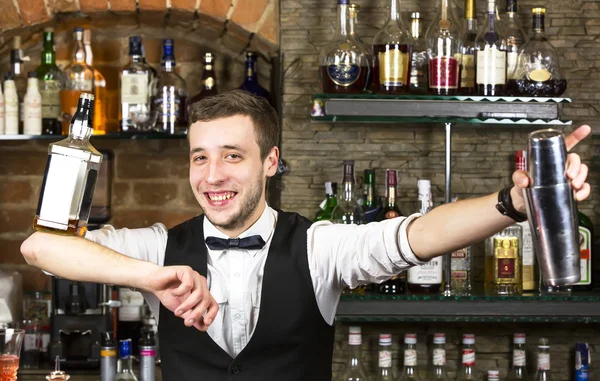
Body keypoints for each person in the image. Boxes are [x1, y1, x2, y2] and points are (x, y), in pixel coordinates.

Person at [21, 90, 591, 380]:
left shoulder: (318, 247)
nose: (212, 176)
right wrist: (153, 278)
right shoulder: (159, 246)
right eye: (200, 158)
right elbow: (39, 247)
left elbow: (418, 234)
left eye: (232, 156)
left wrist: (513, 203)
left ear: (270, 162)